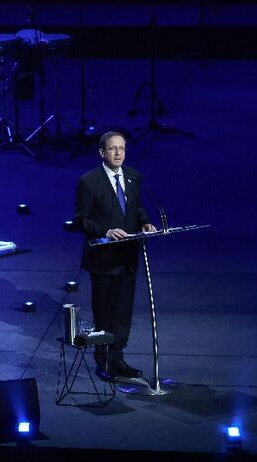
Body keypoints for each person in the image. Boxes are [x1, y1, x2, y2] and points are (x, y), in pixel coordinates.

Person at [74, 131, 157, 380]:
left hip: (128, 257)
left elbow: (137, 207)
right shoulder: (89, 181)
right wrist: (106, 231)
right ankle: (103, 360)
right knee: (105, 313)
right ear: (102, 152)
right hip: (103, 261)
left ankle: (118, 358)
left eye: (122, 148)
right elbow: (81, 219)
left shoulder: (133, 177)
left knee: (123, 313)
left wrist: (145, 223)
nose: (119, 153)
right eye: (113, 149)